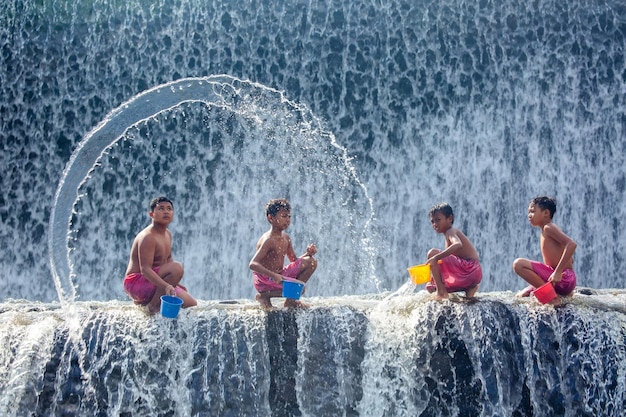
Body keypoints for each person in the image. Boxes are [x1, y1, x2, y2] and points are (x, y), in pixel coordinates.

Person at [123, 196, 197, 314]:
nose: (166, 211)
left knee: (191, 303)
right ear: (151, 214)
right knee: (177, 268)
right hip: (136, 283)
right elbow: (145, 270)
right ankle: (152, 306)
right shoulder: (148, 237)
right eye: (161, 209)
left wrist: (174, 283)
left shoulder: (168, 234)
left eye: (169, 209)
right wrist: (167, 286)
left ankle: (145, 302)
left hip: (152, 283)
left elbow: (168, 260)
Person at [249, 198, 318, 309]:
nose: (288, 220)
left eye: (289, 216)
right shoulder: (268, 240)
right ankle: (264, 296)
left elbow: (294, 261)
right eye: (284, 216)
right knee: (299, 289)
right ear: (270, 218)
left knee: (311, 262)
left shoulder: (286, 238)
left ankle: (290, 301)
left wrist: (307, 253)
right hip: (265, 280)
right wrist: (274, 275)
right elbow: (252, 264)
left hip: (280, 275)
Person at [513, 196, 577, 302]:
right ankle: (552, 292)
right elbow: (571, 259)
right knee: (524, 293)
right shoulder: (547, 230)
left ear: (546, 213)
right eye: (529, 212)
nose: (529, 215)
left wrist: (558, 272)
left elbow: (572, 244)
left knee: (518, 264)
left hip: (564, 278)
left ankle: (552, 298)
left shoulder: (548, 228)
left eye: (533, 211)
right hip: (564, 281)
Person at [424, 203, 482, 300]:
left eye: (438, 220)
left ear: (450, 218)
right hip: (474, 273)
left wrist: (436, 257)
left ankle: (442, 293)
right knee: (431, 285)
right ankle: (470, 288)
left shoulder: (450, 231)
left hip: (468, 268)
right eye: (432, 221)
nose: (435, 224)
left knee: (432, 253)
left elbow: (458, 244)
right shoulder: (449, 233)